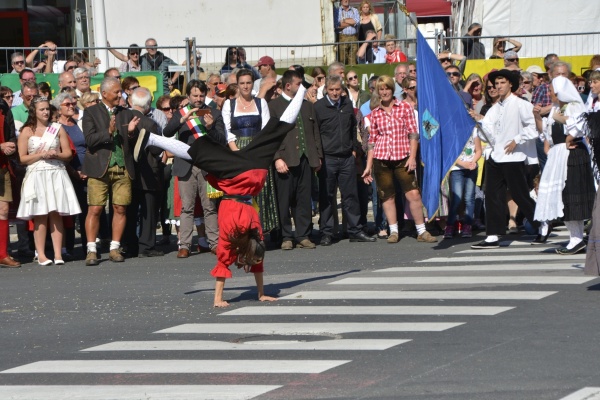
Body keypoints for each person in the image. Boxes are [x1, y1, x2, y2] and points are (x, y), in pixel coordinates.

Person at [133, 84, 307, 306]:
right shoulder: (242, 228)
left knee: (198, 153)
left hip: (246, 170)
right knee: (279, 128)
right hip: (242, 180)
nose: (246, 265)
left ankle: (152, 139)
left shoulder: (249, 233)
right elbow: (234, 257)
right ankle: (153, 140)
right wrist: (218, 298)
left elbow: (253, 257)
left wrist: (261, 293)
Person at [361, 76, 437, 244]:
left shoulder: (404, 108)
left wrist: (412, 157)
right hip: (381, 158)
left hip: (402, 156)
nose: (385, 92)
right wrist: (368, 166)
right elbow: (372, 142)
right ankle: (393, 231)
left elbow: (413, 134)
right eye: (381, 89)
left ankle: (421, 230)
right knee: (387, 196)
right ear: (378, 92)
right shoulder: (374, 114)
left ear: (392, 90)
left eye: (387, 88)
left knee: (413, 194)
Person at [470, 70, 540, 249]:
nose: (499, 86)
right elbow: (489, 136)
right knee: (492, 195)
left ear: (511, 84)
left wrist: (517, 140)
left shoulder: (520, 104)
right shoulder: (494, 109)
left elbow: (534, 127)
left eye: (502, 83)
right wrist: (479, 125)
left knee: (520, 194)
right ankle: (493, 235)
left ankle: (542, 223)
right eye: (496, 84)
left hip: (513, 157)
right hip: (495, 157)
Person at [81, 77, 140, 266]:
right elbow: (90, 140)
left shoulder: (126, 113)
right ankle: (91, 249)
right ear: (104, 93)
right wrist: (108, 131)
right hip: (99, 167)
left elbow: (134, 142)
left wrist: (131, 132)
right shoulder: (90, 112)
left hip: (122, 167)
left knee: (120, 208)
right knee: (95, 208)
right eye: (116, 92)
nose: (120, 95)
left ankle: (114, 247)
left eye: (120, 92)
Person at [163, 79, 225, 257]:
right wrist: (182, 120)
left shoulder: (214, 113)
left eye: (201, 95)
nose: (198, 99)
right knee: (187, 208)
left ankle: (215, 243)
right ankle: (185, 245)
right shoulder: (180, 114)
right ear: (188, 95)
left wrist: (210, 127)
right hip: (185, 165)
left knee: (210, 207)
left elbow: (221, 140)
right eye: (195, 95)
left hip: (206, 166)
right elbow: (166, 133)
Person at [16, 96, 81, 265]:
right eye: (41, 109)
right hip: (37, 175)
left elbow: (67, 154)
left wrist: (56, 155)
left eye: (47, 109)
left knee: (56, 213)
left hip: (56, 173)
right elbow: (22, 158)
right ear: (34, 112)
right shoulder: (27, 131)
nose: (45, 112)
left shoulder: (57, 128)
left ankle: (58, 254)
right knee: (40, 214)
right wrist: (41, 155)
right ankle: (42, 254)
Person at [534, 76, 594, 254]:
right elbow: (546, 133)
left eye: (552, 91)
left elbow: (579, 127)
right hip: (559, 155)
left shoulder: (574, 106)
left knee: (572, 196)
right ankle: (574, 238)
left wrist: (568, 136)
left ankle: (577, 239)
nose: (550, 94)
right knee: (564, 198)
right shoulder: (556, 108)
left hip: (573, 155)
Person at [314, 74, 376, 245]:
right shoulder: (319, 107)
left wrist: (355, 150)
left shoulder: (347, 104)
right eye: (332, 90)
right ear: (326, 89)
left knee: (351, 196)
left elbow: (352, 129)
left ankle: (355, 230)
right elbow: (316, 134)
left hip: (347, 157)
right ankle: (326, 232)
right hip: (328, 158)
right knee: (327, 196)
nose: (335, 93)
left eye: (338, 90)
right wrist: (319, 157)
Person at [270, 70, 322, 250]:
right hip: (286, 159)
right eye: (299, 84)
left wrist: (317, 157)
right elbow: (271, 136)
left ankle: (303, 234)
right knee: (284, 201)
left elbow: (314, 132)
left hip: (306, 159)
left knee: (303, 199)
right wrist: (277, 158)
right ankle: (286, 236)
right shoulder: (274, 106)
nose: (302, 88)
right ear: (288, 86)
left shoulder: (307, 106)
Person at [223, 69, 279, 235]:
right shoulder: (229, 104)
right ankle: (242, 230)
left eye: (248, 83)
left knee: (259, 190)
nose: (245, 86)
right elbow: (227, 131)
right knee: (241, 192)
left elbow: (266, 131)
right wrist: (237, 151)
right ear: (237, 85)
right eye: (242, 83)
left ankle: (259, 229)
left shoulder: (261, 103)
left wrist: (256, 152)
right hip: (237, 151)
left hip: (258, 150)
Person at [125, 88, 165, 258]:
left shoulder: (122, 119)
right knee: (149, 209)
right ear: (148, 105)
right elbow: (156, 149)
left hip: (129, 171)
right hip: (149, 171)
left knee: (130, 210)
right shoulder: (150, 124)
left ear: (131, 102)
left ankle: (130, 245)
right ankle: (147, 245)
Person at [53, 91, 88, 258]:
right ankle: (68, 247)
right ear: (58, 109)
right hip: (67, 172)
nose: (71, 106)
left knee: (86, 210)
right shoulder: (55, 127)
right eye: (67, 104)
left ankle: (88, 245)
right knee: (68, 212)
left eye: (72, 103)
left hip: (85, 170)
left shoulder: (77, 123)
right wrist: (74, 172)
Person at [0, 94, 20, 268]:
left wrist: (11, 146)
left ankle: (2, 254)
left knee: (3, 210)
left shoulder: (4, 108)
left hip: (2, 166)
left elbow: (11, 134)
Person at [336, 0, 360, 66]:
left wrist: (343, 20)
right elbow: (337, 25)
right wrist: (350, 22)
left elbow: (356, 21)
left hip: (354, 37)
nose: (346, 0)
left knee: (353, 60)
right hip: (342, 37)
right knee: (342, 59)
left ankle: (352, 74)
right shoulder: (337, 11)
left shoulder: (354, 10)